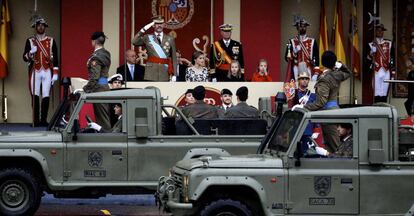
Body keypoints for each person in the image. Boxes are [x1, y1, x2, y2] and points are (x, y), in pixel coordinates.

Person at [294, 51, 351, 153]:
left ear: (322, 63)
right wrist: (341, 65)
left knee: (335, 146)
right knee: (332, 145)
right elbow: (348, 73)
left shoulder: (324, 79)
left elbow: (321, 102)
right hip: (334, 111)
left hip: (328, 115)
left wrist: (304, 107)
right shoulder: (336, 74)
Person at [23, 16, 59, 127]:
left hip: (47, 70)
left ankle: (43, 120)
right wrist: (30, 53)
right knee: (35, 95)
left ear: (45, 27)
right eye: (38, 25)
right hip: (35, 70)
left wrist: (55, 74)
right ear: (35, 27)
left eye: (42, 25)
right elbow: (24, 57)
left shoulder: (51, 41)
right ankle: (35, 120)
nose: (40, 27)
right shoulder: (30, 41)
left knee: (46, 95)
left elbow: (56, 58)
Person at [132, 15, 177, 81]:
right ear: (153, 25)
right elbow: (134, 42)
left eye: (161, 23)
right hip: (151, 72)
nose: (159, 25)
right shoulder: (147, 37)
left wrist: (175, 74)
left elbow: (174, 58)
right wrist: (143, 29)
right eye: (157, 23)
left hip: (164, 72)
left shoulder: (170, 39)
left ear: (164, 25)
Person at [83, 31, 111, 131]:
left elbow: (95, 77)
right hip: (104, 87)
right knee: (103, 115)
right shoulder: (106, 53)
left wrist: (85, 89)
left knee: (102, 118)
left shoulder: (96, 56)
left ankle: (107, 139)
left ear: (94, 42)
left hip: (99, 89)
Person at [367, 23, 395, 103]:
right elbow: (367, 59)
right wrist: (371, 53)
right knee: (377, 92)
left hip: (386, 70)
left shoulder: (389, 43)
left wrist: (393, 71)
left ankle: (384, 109)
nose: (380, 32)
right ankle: (377, 110)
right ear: (375, 32)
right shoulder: (370, 44)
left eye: (382, 30)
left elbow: (392, 57)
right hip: (376, 70)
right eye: (378, 30)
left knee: (384, 92)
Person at [285, 16, 319, 81]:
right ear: (297, 28)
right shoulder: (291, 42)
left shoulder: (313, 41)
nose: (302, 28)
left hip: (309, 68)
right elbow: (287, 58)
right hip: (296, 69)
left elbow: (316, 58)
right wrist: (294, 52)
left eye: (304, 26)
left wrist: (316, 73)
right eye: (300, 26)